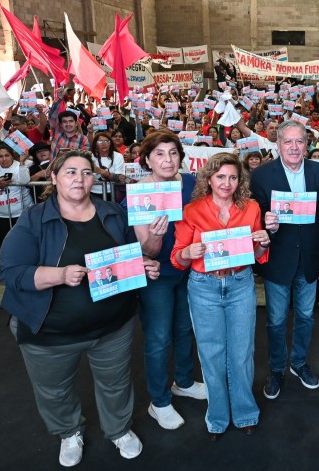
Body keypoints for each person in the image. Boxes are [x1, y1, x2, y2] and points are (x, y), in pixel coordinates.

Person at [0, 150, 161, 466]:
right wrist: (59, 275)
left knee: (116, 383)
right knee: (55, 391)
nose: (79, 178)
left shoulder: (112, 212)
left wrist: (144, 263)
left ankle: (118, 430)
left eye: (86, 172)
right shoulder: (34, 220)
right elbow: (11, 272)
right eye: (71, 172)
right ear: (55, 177)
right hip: (49, 331)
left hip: (112, 326)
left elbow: (130, 257)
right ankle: (68, 431)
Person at [170, 153, 271, 440]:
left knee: (242, 353)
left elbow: (256, 255)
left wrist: (263, 243)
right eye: (221, 176)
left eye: (233, 177)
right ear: (209, 178)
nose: (226, 182)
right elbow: (177, 258)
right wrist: (187, 253)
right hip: (203, 286)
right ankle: (216, 416)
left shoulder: (251, 208)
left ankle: (245, 412)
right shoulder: (191, 211)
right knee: (211, 354)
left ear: (240, 180)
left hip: (240, 284)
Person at [250, 120, 319, 399]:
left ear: (307, 144)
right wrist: (266, 221)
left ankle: (298, 363)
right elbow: (253, 218)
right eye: (289, 142)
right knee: (275, 321)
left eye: (300, 141)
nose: (295, 147)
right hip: (278, 259)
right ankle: (276, 368)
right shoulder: (261, 176)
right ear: (278, 145)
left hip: (310, 259)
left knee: (306, 317)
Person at [130, 132, 207, 432]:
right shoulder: (140, 192)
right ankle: (159, 401)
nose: (167, 159)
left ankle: (184, 382)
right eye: (159, 154)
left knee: (185, 329)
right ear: (147, 159)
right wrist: (156, 236)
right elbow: (147, 250)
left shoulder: (189, 183)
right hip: (157, 274)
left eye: (173, 153)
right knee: (159, 338)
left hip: (188, 269)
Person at [90, 132, 126, 199]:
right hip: (93, 191)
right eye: (100, 141)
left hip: (113, 191)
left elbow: (120, 178)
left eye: (106, 141)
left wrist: (102, 171)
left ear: (110, 143)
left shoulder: (118, 156)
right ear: (95, 144)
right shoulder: (90, 157)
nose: (104, 143)